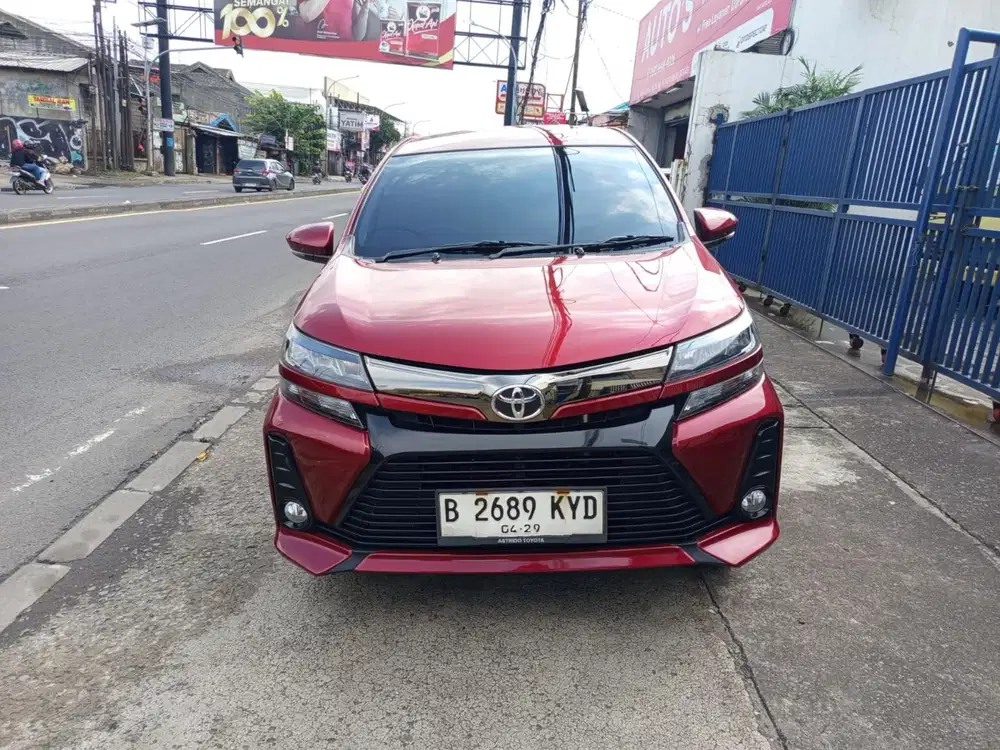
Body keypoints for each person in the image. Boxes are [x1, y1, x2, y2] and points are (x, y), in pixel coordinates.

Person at [296, 0, 381, 41]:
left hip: (345, 51)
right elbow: (306, 15)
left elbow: (358, 36)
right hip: (317, 51)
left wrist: (366, 6)